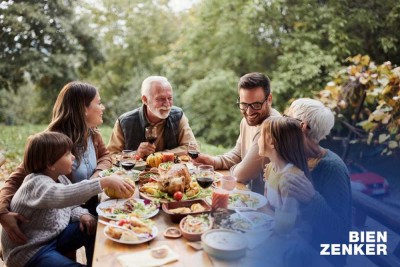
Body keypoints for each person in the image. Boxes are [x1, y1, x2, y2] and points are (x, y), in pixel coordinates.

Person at [0, 81, 119, 245]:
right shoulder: (52, 143)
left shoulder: (92, 133)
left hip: (88, 203)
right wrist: (2, 213)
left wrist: (95, 178)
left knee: (102, 233)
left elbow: (105, 156)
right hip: (59, 217)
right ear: (84, 109)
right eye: (98, 103)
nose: (103, 107)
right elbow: (15, 179)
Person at [1, 132, 133, 267]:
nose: (73, 156)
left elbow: (70, 204)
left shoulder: (60, 178)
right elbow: (64, 195)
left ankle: (96, 263)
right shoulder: (36, 183)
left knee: (97, 225)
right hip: (30, 251)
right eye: (67, 154)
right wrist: (103, 182)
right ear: (49, 164)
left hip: (51, 237)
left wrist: (83, 214)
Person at [280, 98, 351, 267]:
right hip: (290, 247)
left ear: (301, 127)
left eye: (286, 117)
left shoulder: (332, 168)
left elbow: (342, 233)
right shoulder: (297, 158)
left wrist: (312, 199)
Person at [194, 72, 280, 193]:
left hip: (267, 204)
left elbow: (242, 174)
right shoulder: (246, 121)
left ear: (269, 99)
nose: (249, 112)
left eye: (256, 105)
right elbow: (238, 154)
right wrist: (214, 161)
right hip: (247, 195)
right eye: (244, 104)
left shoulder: (272, 126)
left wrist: (234, 169)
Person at [107, 76, 196, 158]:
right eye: (160, 99)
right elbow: (111, 155)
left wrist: (160, 155)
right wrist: (135, 154)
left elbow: (192, 148)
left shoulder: (178, 115)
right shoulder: (125, 122)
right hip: (135, 174)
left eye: (170, 98)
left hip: (170, 173)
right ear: (145, 100)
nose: (167, 104)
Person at [258, 116, 311, 215]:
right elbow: (267, 204)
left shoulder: (290, 179)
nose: (259, 140)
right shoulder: (270, 168)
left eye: (261, 135)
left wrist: (258, 209)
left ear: (272, 142)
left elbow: (288, 221)